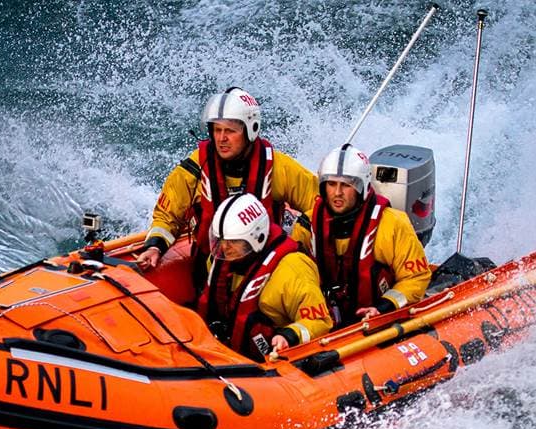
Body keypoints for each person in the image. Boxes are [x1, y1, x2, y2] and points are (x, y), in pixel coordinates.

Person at [135, 87, 318, 290]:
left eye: (230, 130)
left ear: (251, 129)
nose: (221, 138)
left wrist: (296, 239)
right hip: (210, 269)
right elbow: (166, 216)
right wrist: (154, 247)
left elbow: (319, 203)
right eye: (217, 129)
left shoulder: (277, 167)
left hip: (268, 270)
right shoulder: (195, 169)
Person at [307, 144, 431, 326]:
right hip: (326, 322)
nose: (338, 193)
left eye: (346, 185)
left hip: (379, 317)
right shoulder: (307, 224)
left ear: (361, 187)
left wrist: (385, 306)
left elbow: (416, 277)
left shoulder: (393, 223)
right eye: (331, 184)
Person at [197, 194, 332, 361]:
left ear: (256, 238)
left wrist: (289, 335)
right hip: (224, 354)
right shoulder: (221, 262)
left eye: (233, 241)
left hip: (268, 363)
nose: (225, 248)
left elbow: (320, 321)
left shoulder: (293, 270)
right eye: (221, 240)